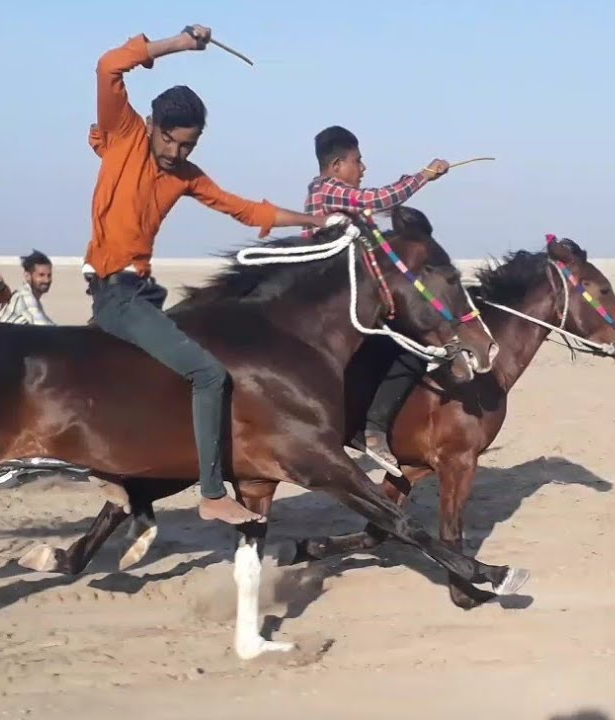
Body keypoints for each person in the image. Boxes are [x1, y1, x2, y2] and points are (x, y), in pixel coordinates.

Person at [85, 25, 337, 525]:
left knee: (173, 374)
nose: (180, 155)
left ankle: (124, 472)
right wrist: (178, 45)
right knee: (207, 373)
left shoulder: (186, 176)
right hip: (117, 294)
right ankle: (210, 492)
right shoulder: (124, 135)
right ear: (154, 126)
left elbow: (244, 210)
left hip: (142, 292)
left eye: (190, 146)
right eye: (175, 143)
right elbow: (109, 65)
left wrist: (312, 221)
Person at [301, 125, 450, 471]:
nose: (363, 168)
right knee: (411, 349)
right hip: (333, 303)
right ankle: (374, 430)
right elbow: (377, 200)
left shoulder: (326, 194)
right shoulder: (330, 190)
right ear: (337, 164)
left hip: (333, 299)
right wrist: (424, 175)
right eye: (358, 161)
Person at [0, 249, 56, 326]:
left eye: (49, 275)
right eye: (41, 275)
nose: (47, 280)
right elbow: (44, 327)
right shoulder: (24, 296)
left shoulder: (32, 298)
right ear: (27, 276)